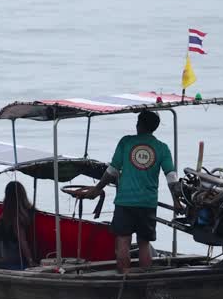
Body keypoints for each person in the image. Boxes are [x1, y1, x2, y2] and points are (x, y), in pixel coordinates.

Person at [75, 110, 184, 273]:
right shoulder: (162, 148)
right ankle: (145, 282)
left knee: (123, 242)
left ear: (139, 124)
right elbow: (172, 177)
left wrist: (98, 189)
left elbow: (112, 170)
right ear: (155, 127)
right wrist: (176, 200)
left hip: (125, 202)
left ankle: (124, 279)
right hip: (147, 203)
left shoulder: (126, 142)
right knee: (144, 244)